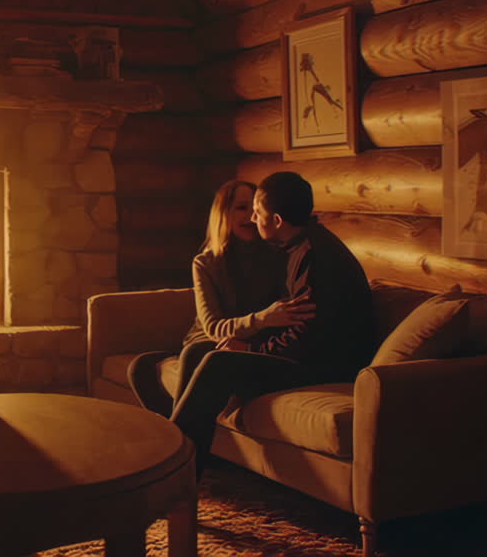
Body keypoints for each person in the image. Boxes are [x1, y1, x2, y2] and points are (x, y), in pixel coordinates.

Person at [170, 171, 374, 476]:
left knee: (219, 364)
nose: (253, 218)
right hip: (309, 354)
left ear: (276, 220)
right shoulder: (297, 247)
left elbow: (307, 336)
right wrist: (250, 343)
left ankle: (173, 470)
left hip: (325, 365)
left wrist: (254, 348)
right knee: (200, 353)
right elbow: (295, 324)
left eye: (257, 211)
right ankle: (181, 461)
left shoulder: (313, 257)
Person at [127, 180, 312, 417]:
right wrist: (263, 318)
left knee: (196, 354)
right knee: (140, 367)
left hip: (234, 346)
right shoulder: (206, 263)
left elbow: (284, 320)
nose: (251, 217)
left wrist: (260, 328)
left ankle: (181, 443)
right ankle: (173, 439)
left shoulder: (279, 256)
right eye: (241, 208)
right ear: (223, 214)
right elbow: (213, 326)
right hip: (210, 336)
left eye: (255, 210)